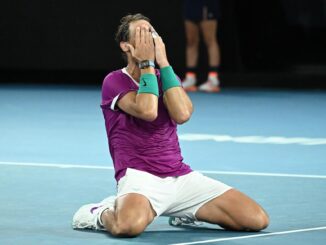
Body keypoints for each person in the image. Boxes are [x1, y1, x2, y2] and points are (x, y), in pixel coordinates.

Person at [72, 13, 269, 237]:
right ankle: (100, 211)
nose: (149, 37)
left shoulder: (165, 74)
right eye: (141, 33)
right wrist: (147, 63)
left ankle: (184, 212)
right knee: (126, 227)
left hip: (181, 178)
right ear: (126, 46)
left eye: (152, 32)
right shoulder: (114, 81)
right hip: (140, 178)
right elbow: (147, 110)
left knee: (256, 219)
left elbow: (183, 114)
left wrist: (163, 63)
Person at [182, 0, 222, 92]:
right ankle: (190, 78)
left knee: (210, 40)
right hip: (190, 4)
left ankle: (213, 79)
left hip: (206, 3)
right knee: (191, 41)